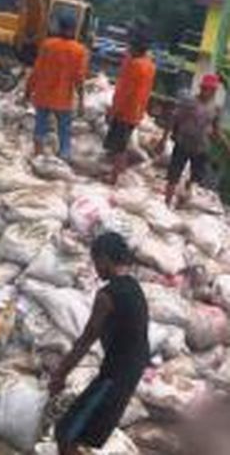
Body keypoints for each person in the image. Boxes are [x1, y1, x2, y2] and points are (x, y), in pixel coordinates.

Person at [49, 232, 149, 455]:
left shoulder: (108, 295)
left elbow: (86, 340)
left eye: (95, 262)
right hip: (127, 370)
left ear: (104, 258)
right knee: (73, 433)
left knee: (66, 433)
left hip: (115, 376)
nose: (95, 268)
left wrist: (60, 374)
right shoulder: (133, 286)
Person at [25, 13, 89, 161]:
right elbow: (79, 78)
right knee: (64, 129)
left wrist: (27, 91)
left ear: (59, 27)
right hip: (63, 98)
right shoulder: (79, 50)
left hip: (43, 95)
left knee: (40, 126)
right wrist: (81, 100)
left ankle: (38, 156)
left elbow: (37, 70)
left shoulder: (48, 45)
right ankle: (64, 155)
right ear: (74, 29)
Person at [157, 73, 226, 207]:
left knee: (195, 178)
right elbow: (173, 119)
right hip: (183, 143)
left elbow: (216, 130)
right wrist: (163, 139)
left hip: (201, 148)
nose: (207, 91)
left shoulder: (215, 109)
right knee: (173, 175)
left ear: (214, 91)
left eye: (211, 89)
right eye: (205, 88)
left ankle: (182, 201)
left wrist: (226, 146)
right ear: (201, 88)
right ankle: (166, 203)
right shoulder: (189, 103)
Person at [103, 29, 156, 185]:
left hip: (125, 112)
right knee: (122, 144)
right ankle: (118, 173)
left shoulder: (135, 65)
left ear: (136, 48)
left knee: (119, 146)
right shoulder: (150, 66)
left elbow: (125, 92)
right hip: (136, 112)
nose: (128, 49)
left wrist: (113, 111)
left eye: (130, 46)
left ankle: (114, 177)